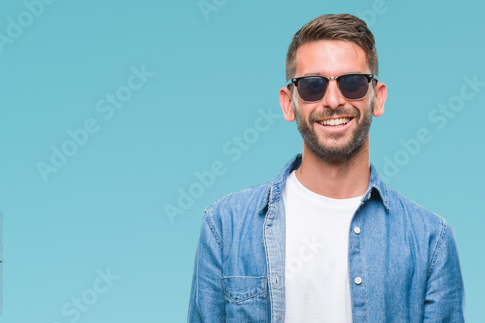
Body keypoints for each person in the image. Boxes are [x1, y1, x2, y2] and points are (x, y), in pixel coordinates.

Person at [187, 13, 465, 322]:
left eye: (353, 83)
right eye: (312, 86)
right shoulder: (225, 226)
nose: (333, 100)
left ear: (378, 98)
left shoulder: (431, 241)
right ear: (288, 103)